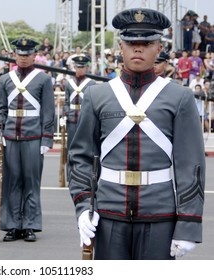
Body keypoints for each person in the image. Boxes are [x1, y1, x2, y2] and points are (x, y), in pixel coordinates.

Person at [68, 8, 205, 260]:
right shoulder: (97, 96)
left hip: (160, 215)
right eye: (131, 43)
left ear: (158, 48)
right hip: (109, 214)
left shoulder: (180, 97)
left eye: (147, 43)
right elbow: (81, 157)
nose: (138, 49)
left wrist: (188, 224)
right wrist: (84, 205)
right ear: (121, 47)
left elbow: (191, 166)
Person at [0, 38, 55, 242]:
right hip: (11, 136)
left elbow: (48, 111)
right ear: (15, 55)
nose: (23, 57)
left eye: (27, 54)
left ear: (34, 56)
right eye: (19, 54)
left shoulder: (43, 79)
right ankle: (12, 225)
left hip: (33, 137)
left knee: (31, 183)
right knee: (11, 183)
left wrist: (47, 138)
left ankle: (30, 225)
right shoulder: (5, 79)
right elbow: (1, 109)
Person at [60, 55, 96, 156]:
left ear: (86, 68)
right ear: (74, 67)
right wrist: (65, 115)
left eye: (82, 67)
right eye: (78, 67)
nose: (80, 69)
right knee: (71, 146)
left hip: (85, 118)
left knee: (85, 145)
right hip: (71, 119)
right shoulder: (68, 84)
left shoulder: (91, 83)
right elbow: (66, 102)